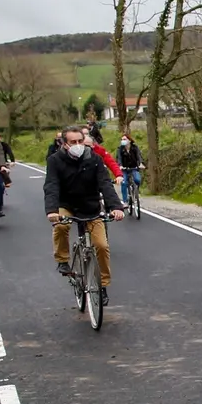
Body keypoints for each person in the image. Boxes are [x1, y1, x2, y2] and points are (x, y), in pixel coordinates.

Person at [44, 126, 124, 306]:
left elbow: (104, 184)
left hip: (91, 207)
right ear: (64, 144)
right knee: (62, 226)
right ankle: (62, 260)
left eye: (80, 141)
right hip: (67, 206)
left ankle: (102, 286)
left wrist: (115, 207)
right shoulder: (55, 161)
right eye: (73, 142)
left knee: (102, 246)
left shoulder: (94, 159)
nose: (78, 145)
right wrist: (52, 211)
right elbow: (51, 186)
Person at [114, 133, 145, 204]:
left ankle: (136, 192)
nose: (122, 141)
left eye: (124, 139)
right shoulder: (120, 149)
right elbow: (119, 158)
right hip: (124, 169)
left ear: (129, 140)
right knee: (124, 183)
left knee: (137, 179)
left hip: (134, 168)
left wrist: (140, 164)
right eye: (122, 139)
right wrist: (120, 165)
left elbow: (139, 156)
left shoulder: (135, 148)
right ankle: (125, 201)